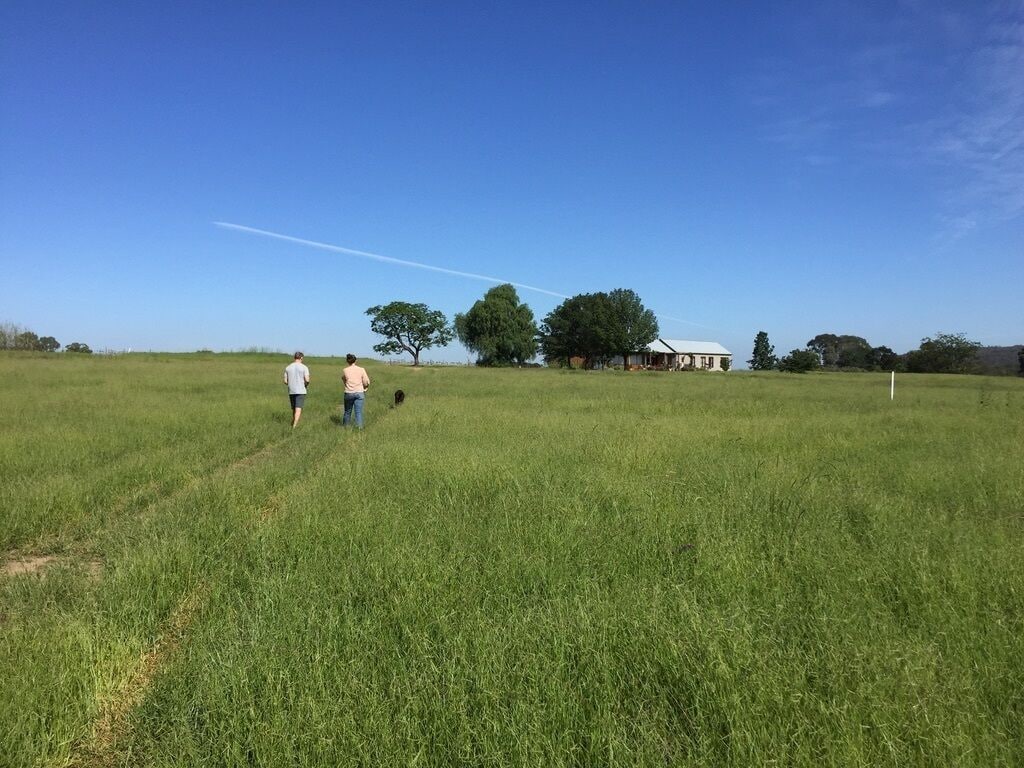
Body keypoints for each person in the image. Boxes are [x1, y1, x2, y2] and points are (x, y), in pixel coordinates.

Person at [341, 353, 370, 428]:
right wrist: (365, 388)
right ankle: (359, 428)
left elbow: (343, 378)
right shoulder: (361, 369)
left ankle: (346, 428)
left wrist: (346, 384)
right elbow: (366, 381)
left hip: (349, 393)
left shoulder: (345, 370)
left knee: (347, 412)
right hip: (359, 392)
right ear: (355, 360)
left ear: (347, 361)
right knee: (358, 412)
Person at [283, 351, 310, 428]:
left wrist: (291, 383)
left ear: (294, 357)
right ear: (301, 358)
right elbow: (307, 380)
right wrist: (305, 385)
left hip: (291, 390)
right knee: (298, 409)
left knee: (294, 409)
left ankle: (293, 422)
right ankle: (294, 426)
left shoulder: (288, 367)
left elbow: (285, 381)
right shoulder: (304, 367)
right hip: (301, 390)